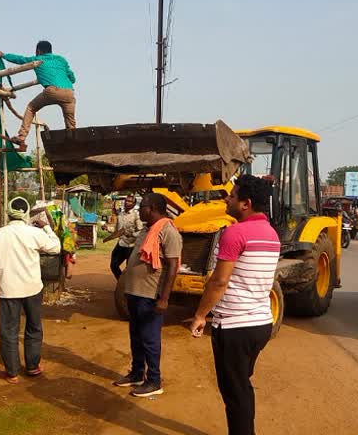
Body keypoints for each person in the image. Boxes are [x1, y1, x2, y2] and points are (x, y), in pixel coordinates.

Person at [190, 175, 280, 435]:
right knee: (242, 385)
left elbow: (219, 281)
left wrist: (200, 315)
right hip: (261, 325)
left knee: (234, 393)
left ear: (245, 203)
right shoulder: (271, 234)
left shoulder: (235, 233)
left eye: (232, 195)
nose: (227, 198)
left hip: (234, 328)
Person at [113, 193, 181, 397]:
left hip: (150, 295)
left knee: (150, 339)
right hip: (135, 293)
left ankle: (154, 380)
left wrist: (164, 298)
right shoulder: (147, 229)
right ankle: (136, 373)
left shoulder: (168, 232)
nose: (138, 210)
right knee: (136, 336)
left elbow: (172, 266)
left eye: (142, 206)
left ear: (151, 208)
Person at [0, 197, 61, 384]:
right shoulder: (34, 233)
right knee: (34, 327)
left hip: (9, 290)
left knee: (9, 331)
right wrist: (45, 227)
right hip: (32, 288)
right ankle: (33, 366)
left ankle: (12, 372)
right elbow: (56, 247)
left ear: (9, 213)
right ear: (27, 213)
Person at [0, 41, 76, 150]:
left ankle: (21, 136)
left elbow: (20, 60)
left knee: (31, 108)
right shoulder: (61, 60)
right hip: (69, 93)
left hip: (52, 91)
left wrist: (3, 55)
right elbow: (72, 78)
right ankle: (73, 143)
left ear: (38, 51)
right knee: (71, 123)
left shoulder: (37, 59)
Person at [103, 195, 144, 280]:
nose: (127, 203)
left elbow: (141, 232)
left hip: (132, 246)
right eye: (126, 201)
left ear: (134, 204)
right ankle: (121, 282)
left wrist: (132, 234)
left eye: (129, 201)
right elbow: (116, 230)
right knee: (113, 265)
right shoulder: (120, 215)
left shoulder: (136, 216)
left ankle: (128, 287)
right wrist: (107, 228)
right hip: (121, 244)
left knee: (130, 269)